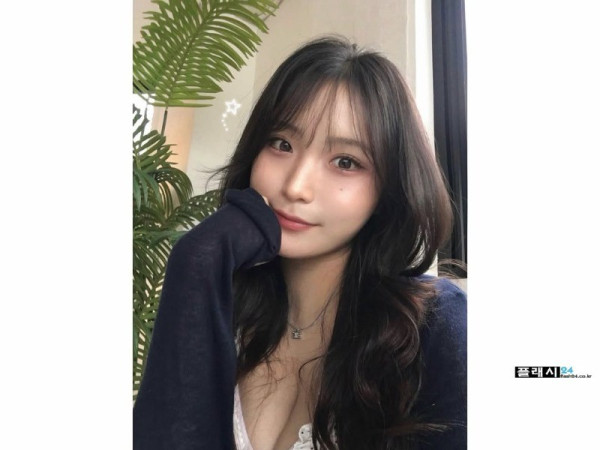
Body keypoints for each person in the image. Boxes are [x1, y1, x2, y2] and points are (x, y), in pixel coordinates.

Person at [133, 36, 466, 450]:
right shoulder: (231, 316)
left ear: (389, 189)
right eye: (282, 144)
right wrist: (197, 260)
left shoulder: (433, 328)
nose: (296, 186)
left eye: (346, 162)